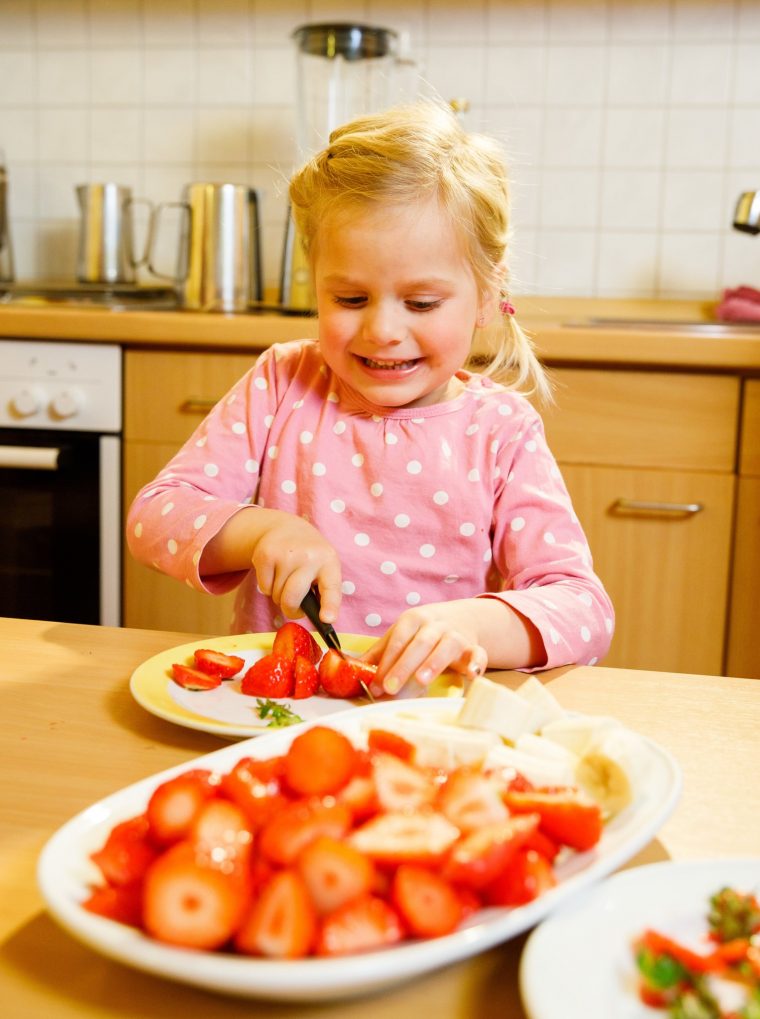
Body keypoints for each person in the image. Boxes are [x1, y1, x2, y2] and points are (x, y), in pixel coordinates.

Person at [126, 99, 614, 695]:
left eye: (422, 303)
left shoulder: (501, 429)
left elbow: (584, 609)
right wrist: (261, 532)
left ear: (488, 294)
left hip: (429, 722)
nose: (382, 330)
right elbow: (155, 517)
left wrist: (471, 624)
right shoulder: (281, 382)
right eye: (351, 299)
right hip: (285, 723)